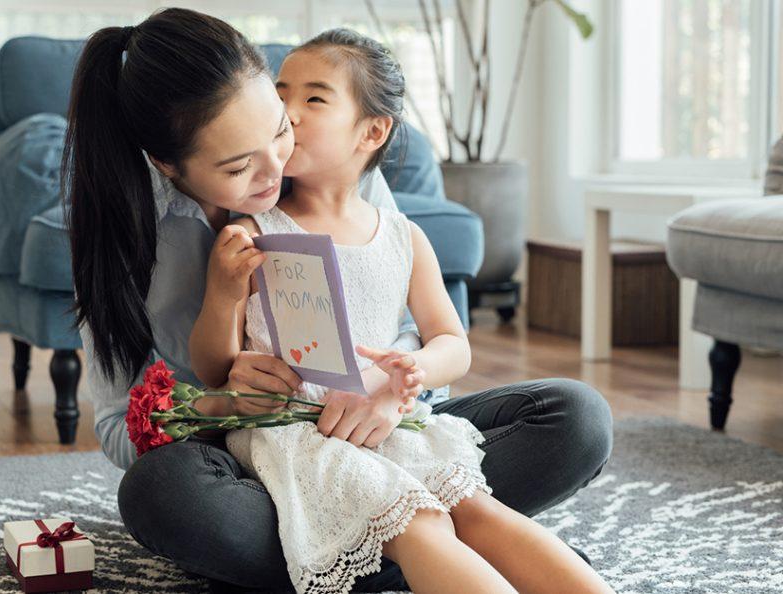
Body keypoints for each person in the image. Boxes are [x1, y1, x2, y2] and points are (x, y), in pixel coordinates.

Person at [62, 7, 614, 591]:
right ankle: (416, 557)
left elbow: (418, 332)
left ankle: (356, 559)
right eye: (239, 165)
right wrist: (225, 401)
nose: (278, 166)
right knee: (160, 491)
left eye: (279, 129)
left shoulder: (337, 173)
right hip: (263, 457)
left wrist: (388, 395)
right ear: (166, 163)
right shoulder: (132, 234)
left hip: (388, 429)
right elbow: (130, 423)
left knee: (576, 418)